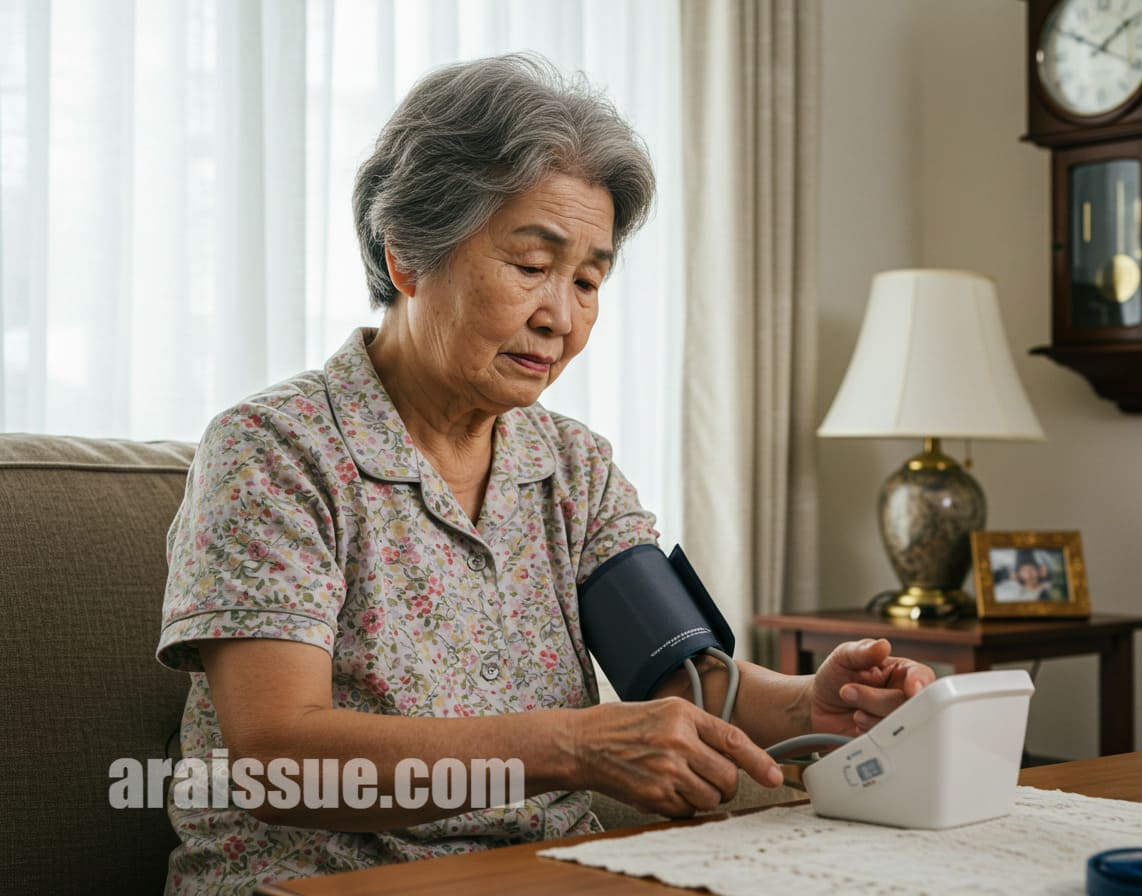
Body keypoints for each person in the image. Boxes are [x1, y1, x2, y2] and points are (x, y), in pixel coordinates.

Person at [156, 54, 935, 895]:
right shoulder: (275, 450)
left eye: (588, 280)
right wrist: (572, 745)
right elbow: (279, 756)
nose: (560, 318)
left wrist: (810, 707)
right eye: (531, 265)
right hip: (318, 880)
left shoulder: (572, 466)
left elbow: (681, 674)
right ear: (409, 257)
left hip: (546, 874)